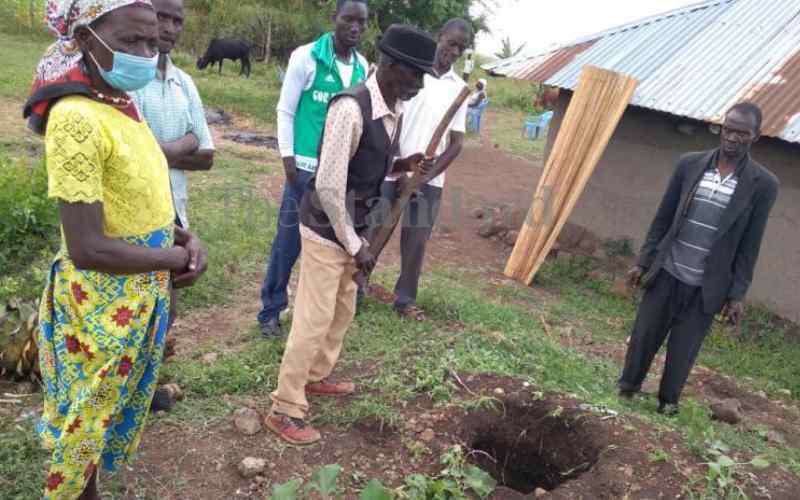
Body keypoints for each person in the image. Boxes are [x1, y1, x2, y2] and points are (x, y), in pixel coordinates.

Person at [23, 0, 208, 497]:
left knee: (105, 410)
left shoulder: (122, 104)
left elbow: (139, 198)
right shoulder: (77, 118)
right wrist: (173, 259)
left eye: (150, 41)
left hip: (137, 293)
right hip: (101, 304)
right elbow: (86, 246)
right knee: (86, 420)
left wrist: (185, 238)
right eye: (130, 41)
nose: (145, 53)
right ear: (87, 39)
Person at [265, 25, 437, 445]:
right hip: (327, 229)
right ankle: (284, 407)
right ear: (390, 65)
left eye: (423, 76)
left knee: (342, 309)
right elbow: (328, 185)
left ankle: (316, 376)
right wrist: (356, 245)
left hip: (354, 228)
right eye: (414, 74)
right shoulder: (351, 107)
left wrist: (403, 165)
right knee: (314, 318)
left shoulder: (393, 108)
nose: (418, 84)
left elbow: (367, 163)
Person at [619, 102, 779, 416]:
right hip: (667, 271)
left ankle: (668, 403)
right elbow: (663, 218)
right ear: (721, 128)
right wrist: (643, 262)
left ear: (755, 137)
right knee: (644, 335)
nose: (732, 137)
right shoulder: (689, 165)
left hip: (707, 286)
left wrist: (736, 294)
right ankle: (627, 387)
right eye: (728, 129)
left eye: (742, 133)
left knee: (684, 348)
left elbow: (751, 243)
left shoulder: (763, 185)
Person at [257, 0, 370, 339]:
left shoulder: (363, 67)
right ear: (334, 18)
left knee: (334, 243)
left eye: (361, 22)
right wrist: (288, 160)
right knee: (288, 242)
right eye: (348, 19)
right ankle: (271, 310)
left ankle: (329, 307)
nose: (354, 27)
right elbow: (286, 111)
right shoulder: (306, 57)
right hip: (305, 170)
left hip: (341, 176)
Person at [376, 18, 473, 320]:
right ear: (439, 36)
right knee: (376, 227)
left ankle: (404, 300)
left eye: (461, 48)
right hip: (393, 166)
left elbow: (456, 143)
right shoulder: (414, 71)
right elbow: (390, 116)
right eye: (451, 43)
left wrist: (423, 178)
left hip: (429, 179)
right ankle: (356, 284)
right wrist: (400, 168)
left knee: (416, 242)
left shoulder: (459, 89)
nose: (454, 51)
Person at [131, 0, 215, 231]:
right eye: (161, 17)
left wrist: (156, 154)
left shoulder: (184, 82)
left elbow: (206, 157)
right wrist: (189, 141)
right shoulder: (127, 79)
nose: (169, 28)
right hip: (133, 213)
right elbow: (130, 157)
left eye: (177, 21)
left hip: (176, 212)